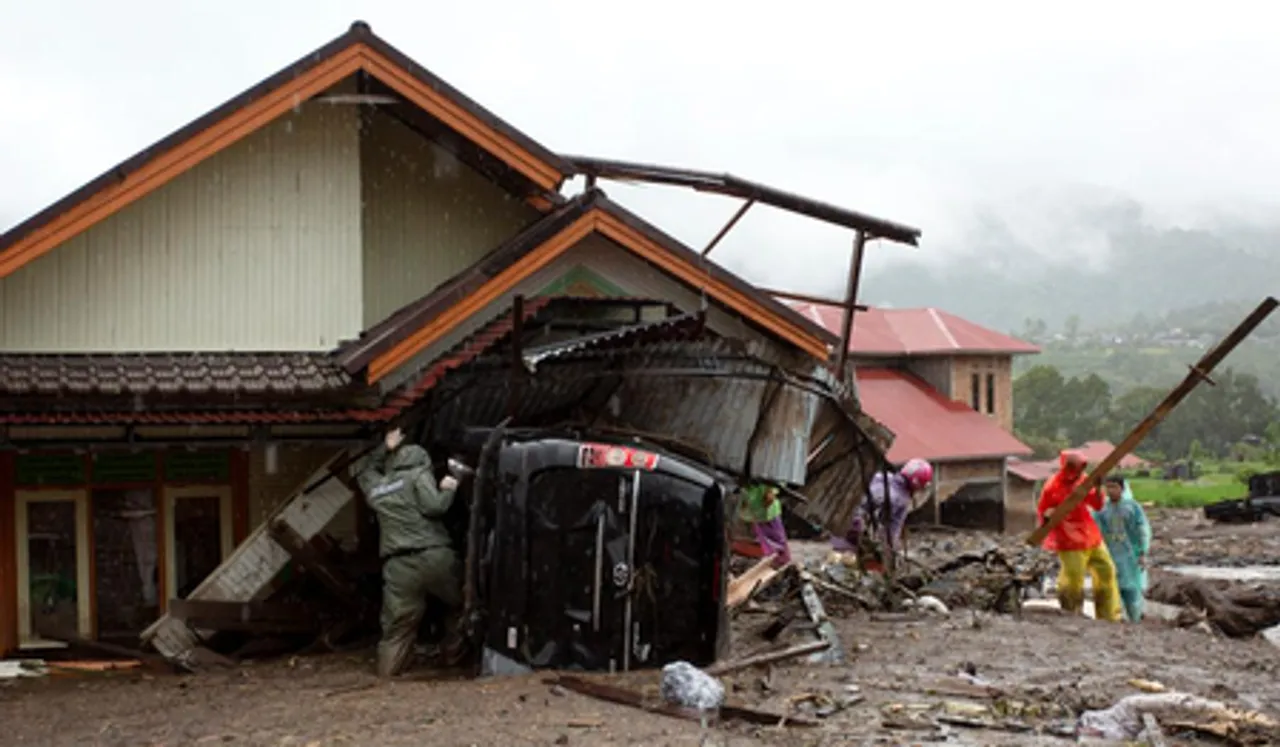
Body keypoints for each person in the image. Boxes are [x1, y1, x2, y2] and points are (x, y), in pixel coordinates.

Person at [356, 426, 463, 677]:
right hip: (434, 555)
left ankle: (388, 673)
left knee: (397, 626)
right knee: (464, 606)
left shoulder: (377, 488)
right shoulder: (417, 474)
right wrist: (449, 488)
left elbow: (364, 472)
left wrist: (385, 447)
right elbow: (434, 507)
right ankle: (454, 660)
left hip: (398, 565)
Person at [1036, 450, 1122, 622]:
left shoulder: (1084, 480)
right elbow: (1043, 512)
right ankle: (1071, 615)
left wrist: (1097, 488)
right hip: (1068, 540)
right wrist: (1047, 515)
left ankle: (1109, 617)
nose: (1078, 471)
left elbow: (1097, 505)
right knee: (1073, 580)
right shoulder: (1052, 486)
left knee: (1107, 571)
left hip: (1090, 536)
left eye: (1081, 467)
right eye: (1075, 467)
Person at [834, 458, 933, 557]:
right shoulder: (901, 500)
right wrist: (890, 550)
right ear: (916, 483)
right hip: (858, 537)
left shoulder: (881, 477)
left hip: (842, 524)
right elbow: (892, 529)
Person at [1094, 475, 1152, 622]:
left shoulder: (1132, 507)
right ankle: (1117, 619)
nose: (1110, 490)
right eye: (1108, 487)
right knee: (1111, 587)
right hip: (1110, 553)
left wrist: (1142, 552)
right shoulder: (1102, 509)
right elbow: (1097, 531)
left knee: (1131, 589)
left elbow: (1142, 530)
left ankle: (1135, 619)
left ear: (1122, 488)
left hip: (1129, 554)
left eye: (1114, 487)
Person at [738, 483, 792, 567]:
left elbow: (778, 476)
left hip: (766, 502)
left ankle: (783, 557)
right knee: (763, 535)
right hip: (754, 504)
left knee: (776, 535)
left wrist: (772, 491)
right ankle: (776, 556)